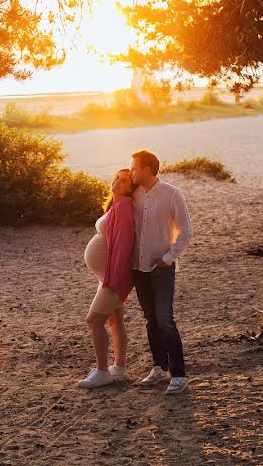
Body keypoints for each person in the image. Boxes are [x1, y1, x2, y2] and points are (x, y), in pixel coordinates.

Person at [130, 149, 193, 394]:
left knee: (165, 320)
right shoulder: (133, 195)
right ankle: (159, 367)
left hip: (161, 269)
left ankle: (179, 375)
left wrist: (168, 259)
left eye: (135, 167)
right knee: (151, 320)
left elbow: (186, 231)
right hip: (138, 268)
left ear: (147, 169)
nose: (132, 170)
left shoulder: (172, 194)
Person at [78, 168, 137, 389]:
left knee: (93, 321)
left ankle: (102, 372)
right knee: (115, 320)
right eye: (117, 178)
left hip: (113, 277)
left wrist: (112, 279)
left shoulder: (123, 207)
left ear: (131, 189)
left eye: (124, 181)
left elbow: (123, 247)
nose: (118, 182)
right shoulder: (117, 204)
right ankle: (118, 369)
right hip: (107, 275)